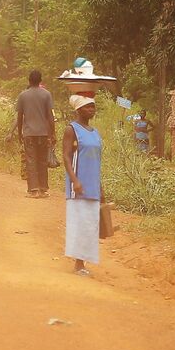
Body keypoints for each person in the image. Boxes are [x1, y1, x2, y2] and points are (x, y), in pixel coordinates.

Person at [62, 95, 102, 276]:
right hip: (78, 186)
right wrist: (74, 180)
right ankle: (78, 263)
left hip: (92, 185)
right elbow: (66, 156)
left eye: (93, 107)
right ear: (78, 110)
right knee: (80, 222)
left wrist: (101, 185)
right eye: (87, 107)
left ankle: (83, 261)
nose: (91, 110)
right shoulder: (72, 129)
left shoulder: (95, 132)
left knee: (90, 224)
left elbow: (97, 160)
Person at [16, 70, 55, 198]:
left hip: (29, 133)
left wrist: (19, 133)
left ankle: (34, 190)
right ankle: (43, 189)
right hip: (43, 133)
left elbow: (20, 116)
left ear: (29, 80)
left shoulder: (23, 95)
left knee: (31, 160)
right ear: (40, 81)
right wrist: (52, 133)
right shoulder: (46, 94)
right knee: (42, 160)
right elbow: (50, 116)